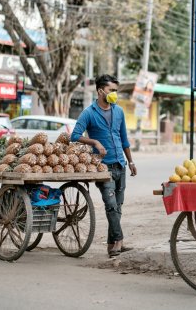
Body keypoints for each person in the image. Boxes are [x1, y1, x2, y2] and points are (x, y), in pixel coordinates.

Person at [71, 74, 137, 258]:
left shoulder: (119, 112)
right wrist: (95, 143)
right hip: (102, 167)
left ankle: (111, 245)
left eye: (116, 91)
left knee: (118, 207)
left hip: (120, 164)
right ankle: (120, 242)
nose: (115, 94)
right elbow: (74, 135)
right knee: (110, 205)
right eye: (112, 90)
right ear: (100, 91)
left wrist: (130, 161)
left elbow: (124, 139)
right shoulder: (89, 113)